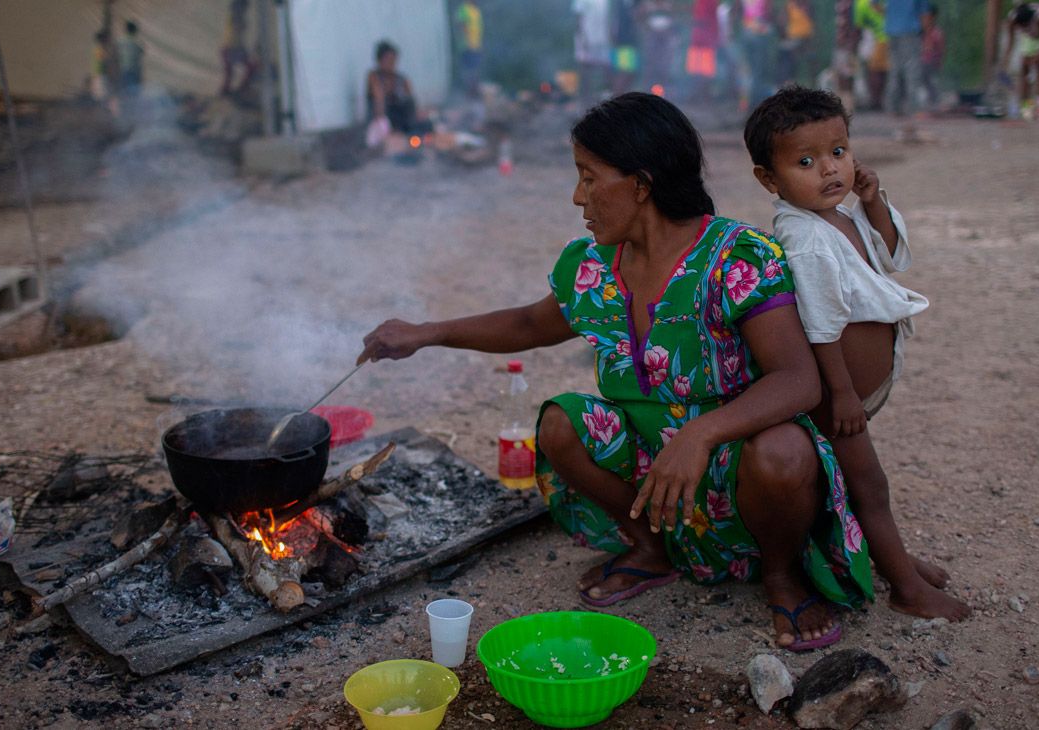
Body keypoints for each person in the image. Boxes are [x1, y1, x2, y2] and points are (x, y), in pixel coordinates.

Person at [359, 92, 873, 651]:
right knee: (561, 423)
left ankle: (781, 574)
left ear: (641, 183)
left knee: (784, 451)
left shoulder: (738, 257)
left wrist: (701, 434)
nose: (578, 196)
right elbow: (530, 324)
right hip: (653, 478)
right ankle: (650, 547)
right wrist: (424, 333)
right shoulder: (594, 266)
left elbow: (798, 381)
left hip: (738, 468)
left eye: (588, 177)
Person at [744, 87, 971, 621]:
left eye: (838, 152)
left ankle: (896, 561)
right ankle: (905, 587)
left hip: (847, 394)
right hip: (833, 395)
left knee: (850, 485)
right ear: (769, 179)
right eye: (806, 161)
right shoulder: (805, 236)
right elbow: (820, 326)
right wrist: (842, 393)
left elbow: (892, 255)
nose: (829, 170)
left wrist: (871, 200)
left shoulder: (837, 216)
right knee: (869, 486)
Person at [366, 40, 431, 137]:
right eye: (387, 60)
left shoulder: (402, 79)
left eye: (393, 60)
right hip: (383, 120)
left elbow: (412, 103)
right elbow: (379, 103)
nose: (391, 63)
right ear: (379, 60)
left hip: (403, 121)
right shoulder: (374, 77)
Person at [1002, 2, 1039, 108]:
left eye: (1027, 26)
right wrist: (1006, 60)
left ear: (1031, 21)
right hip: (1031, 37)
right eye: (1022, 27)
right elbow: (1011, 41)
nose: (1024, 28)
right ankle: (1025, 104)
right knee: (1024, 66)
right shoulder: (1012, 19)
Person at [884, 0, 926, 120]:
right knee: (912, 69)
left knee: (894, 69)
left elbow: (874, 4)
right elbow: (925, 13)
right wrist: (926, 34)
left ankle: (893, 108)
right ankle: (915, 108)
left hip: (891, 30)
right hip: (910, 31)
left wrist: (892, 16)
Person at [573, 0, 613, 103]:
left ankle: (606, 95)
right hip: (586, 39)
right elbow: (578, 18)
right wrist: (582, 38)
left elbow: (609, 17)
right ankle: (584, 98)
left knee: (606, 68)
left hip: (603, 39)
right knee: (586, 69)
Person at [740, 0, 776, 105]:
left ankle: (748, 99)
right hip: (758, 34)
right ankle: (754, 100)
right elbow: (767, 12)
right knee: (758, 70)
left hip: (746, 32)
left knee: (749, 69)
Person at [686, 0, 720, 101]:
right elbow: (711, 20)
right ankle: (700, 95)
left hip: (701, 39)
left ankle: (700, 95)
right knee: (701, 70)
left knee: (702, 70)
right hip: (702, 40)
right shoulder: (707, 2)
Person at [639, 0, 676, 93]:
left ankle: (663, 90)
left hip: (665, 37)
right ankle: (648, 90)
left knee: (664, 65)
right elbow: (640, 17)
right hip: (652, 36)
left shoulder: (668, 4)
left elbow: (673, 19)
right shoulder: (648, 4)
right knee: (651, 64)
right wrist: (646, 29)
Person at [777, 0, 815, 87]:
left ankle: (788, 79)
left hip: (804, 39)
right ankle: (785, 81)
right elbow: (781, 21)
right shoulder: (789, 5)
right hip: (791, 39)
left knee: (789, 51)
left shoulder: (806, 6)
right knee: (783, 50)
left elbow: (809, 27)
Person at [220, 0, 254, 97]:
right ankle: (241, 89)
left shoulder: (234, 16)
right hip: (231, 48)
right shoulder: (236, 17)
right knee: (250, 68)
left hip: (227, 48)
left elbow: (236, 34)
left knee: (229, 74)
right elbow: (236, 35)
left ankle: (229, 90)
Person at [454, 0, 484, 99]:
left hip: (476, 45)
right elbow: (460, 25)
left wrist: (478, 43)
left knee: (475, 68)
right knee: (469, 69)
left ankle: (475, 91)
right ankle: (470, 93)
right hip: (466, 45)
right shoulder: (464, 9)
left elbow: (477, 28)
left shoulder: (476, 10)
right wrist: (467, 40)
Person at [610, 0, 640, 95]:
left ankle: (621, 96)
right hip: (623, 41)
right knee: (624, 71)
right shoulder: (619, 3)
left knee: (630, 71)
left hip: (630, 41)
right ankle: (617, 97)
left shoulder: (633, 3)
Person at [920, 6, 945, 110]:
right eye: (924, 17)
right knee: (921, 84)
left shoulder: (937, 33)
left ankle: (935, 103)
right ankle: (923, 105)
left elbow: (940, 49)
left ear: (934, 17)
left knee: (932, 83)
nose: (926, 20)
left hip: (931, 63)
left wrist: (939, 61)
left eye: (928, 17)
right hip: (920, 63)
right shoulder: (918, 32)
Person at [117, 20, 145, 99]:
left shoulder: (119, 41)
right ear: (135, 31)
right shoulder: (138, 43)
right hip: (134, 72)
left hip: (123, 71)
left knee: (123, 92)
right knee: (135, 94)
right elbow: (141, 54)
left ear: (126, 30)